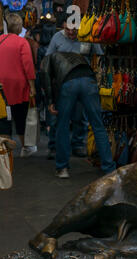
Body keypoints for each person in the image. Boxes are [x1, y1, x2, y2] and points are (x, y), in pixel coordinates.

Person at [40, 51, 116, 178]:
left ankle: (62, 168)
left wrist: (50, 102)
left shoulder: (47, 59)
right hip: (89, 81)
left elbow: (46, 78)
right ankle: (109, 168)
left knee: (62, 125)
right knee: (98, 125)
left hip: (69, 83)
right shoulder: (73, 55)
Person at [44, 17, 103, 160]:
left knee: (80, 115)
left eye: (74, 30)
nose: (71, 33)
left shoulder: (86, 36)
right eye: (67, 29)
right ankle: (53, 146)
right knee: (57, 117)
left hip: (82, 81)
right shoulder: (57, 38)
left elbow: (99, 55)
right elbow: (48, 60)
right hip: (61, 83)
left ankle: (77, 144)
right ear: (63, 25)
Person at [0, 13, 37, 157]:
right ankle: (25, 147)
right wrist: (32, 86)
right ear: (19, 26)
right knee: (21, 116)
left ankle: (4, 147)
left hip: (1, 86)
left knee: (3, 116)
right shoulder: (22, 43)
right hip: (18, 86)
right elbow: (28, 66)